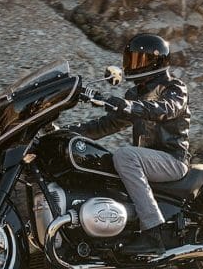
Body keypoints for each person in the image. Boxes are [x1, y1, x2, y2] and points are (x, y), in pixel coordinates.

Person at [70, 33, 190, 255]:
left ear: (157, 61)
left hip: (172, 160)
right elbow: (107, 125)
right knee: (100, 161)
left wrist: (128, 106)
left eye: (140, 60)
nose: (134, 65)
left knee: (124, 155)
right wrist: (69, 133)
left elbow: (166, 109)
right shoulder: (135, 93)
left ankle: (154, 231)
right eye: (131, 59)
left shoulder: (175, 87)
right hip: (148, 161)